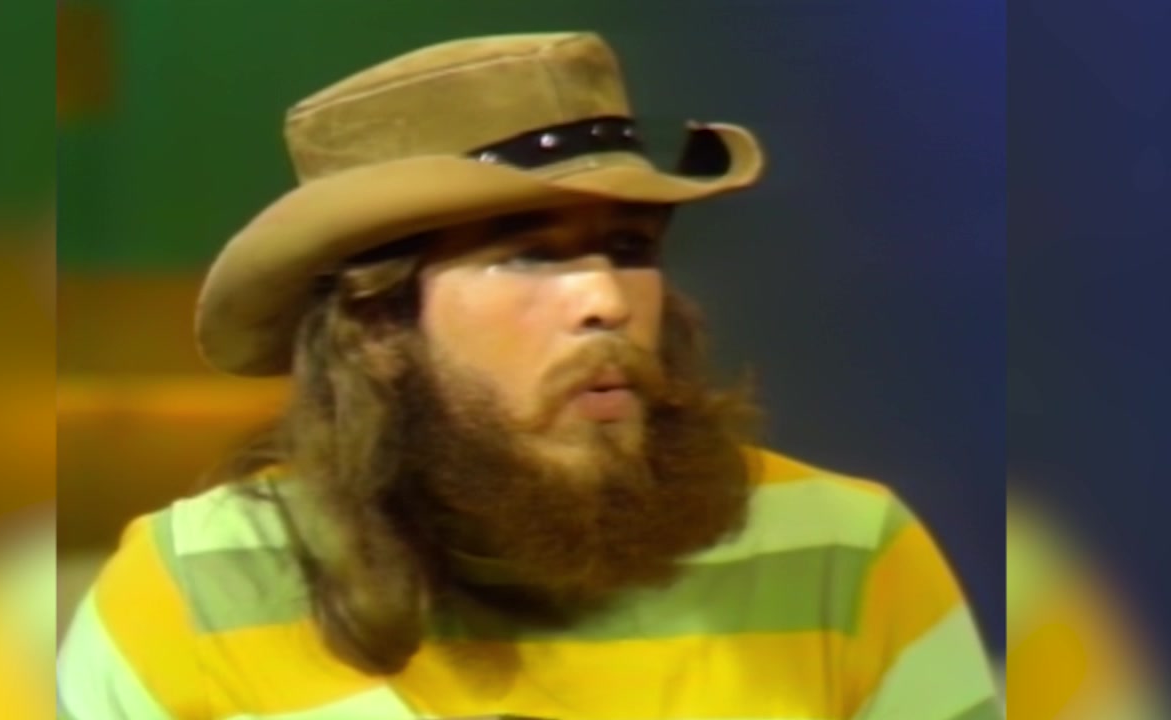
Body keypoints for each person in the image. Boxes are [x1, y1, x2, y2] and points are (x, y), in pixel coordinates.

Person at [57, 32, 1001, 719]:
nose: (606, 299)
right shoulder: (191, 591)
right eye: (530, 256)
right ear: (377, 325)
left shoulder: (848, 556)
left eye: (628, 248)